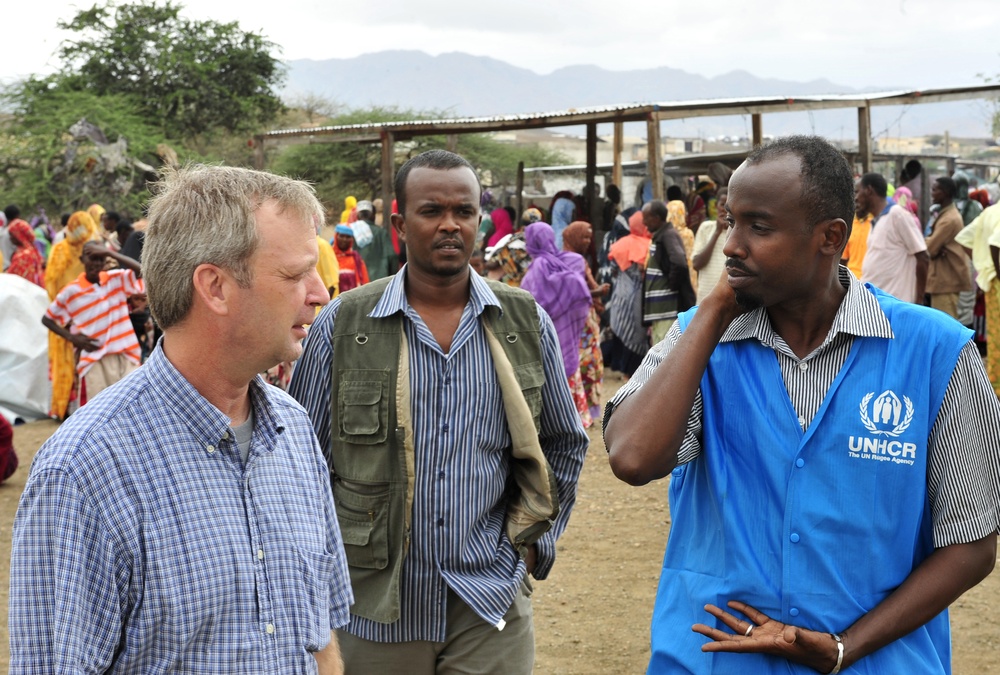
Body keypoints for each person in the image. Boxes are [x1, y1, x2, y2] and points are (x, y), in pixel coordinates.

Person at [604, 135, 1000, 674]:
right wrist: (718, 306)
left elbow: (972, 545)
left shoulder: (935, 352)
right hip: (713, 659)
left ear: (830, 237)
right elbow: (633, 458)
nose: (733, 246)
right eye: (729, 223)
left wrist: (845, 647)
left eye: (758, 227)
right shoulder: (697, 343)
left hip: (877, 661)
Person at [10, 164, 353, 673]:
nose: (320, 293)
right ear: (214, 287)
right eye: (293, 274)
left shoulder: (293, 428)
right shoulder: (86, 471)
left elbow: (317, 630)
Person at [288, 149, 588, 674]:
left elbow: (563, 443)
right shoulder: (345, 325)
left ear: (479, 220)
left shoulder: (521, 322)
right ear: (402, 224)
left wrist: (534, 544)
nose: (450, 224)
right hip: (372, 611)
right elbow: (299, 461)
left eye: (464, 211)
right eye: (432, 211)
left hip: (488, 602)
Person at [42, 241, 144, 403]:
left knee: (132, 405)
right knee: (100, 409)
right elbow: (47, 319)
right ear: (82, 259)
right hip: (95, 360)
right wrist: (73, 338)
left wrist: (111, 253)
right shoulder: (71, 292)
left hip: (126, 355)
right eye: (92, 258)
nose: (96, 263)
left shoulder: (115, 279)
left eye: (100, 259)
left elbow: (142, 272)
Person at [522, 220, 595, 428]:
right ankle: (573, 418)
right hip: (566, 333)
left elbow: (530, 304)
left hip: (545, 335)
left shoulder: (538, 267)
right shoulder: (562, 262)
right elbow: (579, 291)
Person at [43, 211, 100, 418]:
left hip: (68, 317)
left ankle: (70, 409)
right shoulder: (88, 251)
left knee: (71, 363)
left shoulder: (84, 251)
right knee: (73, 363)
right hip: (71, 318)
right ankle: (70, 409)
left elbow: (50, 284)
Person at [859, 172, 929, 303]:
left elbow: (923, 257)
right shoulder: (877, 220)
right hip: (876, 303)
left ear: (868, 191)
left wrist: (919, 300)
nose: (856, 198)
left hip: (895, 304)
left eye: (858, 192)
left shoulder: (897, 214)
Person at [563, 220, 609, 421]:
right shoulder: (577, 262)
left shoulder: (558, 260)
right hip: (583, 320)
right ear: (573, 237)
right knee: (588, 362)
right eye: (584, 237)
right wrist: (598, 292)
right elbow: (581, 290)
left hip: (568, 320)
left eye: (590, 237)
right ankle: (585, 407)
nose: (588, 241)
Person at [956, 202, 1000, 396]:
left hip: (991, 282)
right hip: (996, 280)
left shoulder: (990, 212)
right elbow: (995, 243)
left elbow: (965, 238)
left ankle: (995, 382)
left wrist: (983, 264)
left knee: (995, 333)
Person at [642, 200, 695, 344]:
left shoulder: (668, 235)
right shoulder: (661, 235)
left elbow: (679, 263)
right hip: (661, 309)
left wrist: (670, 287)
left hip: (667, 308)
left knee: (665, 348)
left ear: (656, 218)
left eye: (646, 218)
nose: (643, 222)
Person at [606, 210, 652, 377]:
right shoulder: (649, 245)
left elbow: (613, 271)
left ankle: (625, 374)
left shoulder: (621, 243)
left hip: (620, 296)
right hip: (638, 299)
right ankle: (635, 376)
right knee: (637, 335)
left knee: (623, 331)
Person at [925, 176, 972, 319]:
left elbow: (929, 248)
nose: (932, 193)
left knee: (945, 326)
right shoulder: (946, 214)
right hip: (942, 279)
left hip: (946, 281)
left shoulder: (949, 219)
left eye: (935, 190)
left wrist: (930, 243)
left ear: (945, 192)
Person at [691, 187, 729, 303]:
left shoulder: (738, 232)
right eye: (723, 205)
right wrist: (717, 232)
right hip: (705, 298)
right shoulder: (706, 228)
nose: (725, 210)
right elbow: (697, 264)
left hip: (728, 299)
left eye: (729, 206)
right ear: (717, 206)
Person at [355, 199, 398, 280]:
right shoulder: (381, 233)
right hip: (379, 281)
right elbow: (392, 256)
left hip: (356, 282)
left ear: (357, 216)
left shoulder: (349, 232)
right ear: (373, 215)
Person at [6, 219, 45, 287]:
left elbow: (11, 279)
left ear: (19, 235)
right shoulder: (33, 251)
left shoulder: (23, 256)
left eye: (12, 235)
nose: (10, 238)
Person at [333, 224, 369, 292]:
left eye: (348, 237)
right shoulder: (330, 256)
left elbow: (365, 283)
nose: (344, 239)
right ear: (336, 236)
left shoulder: (357, 259)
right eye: (341, 236)